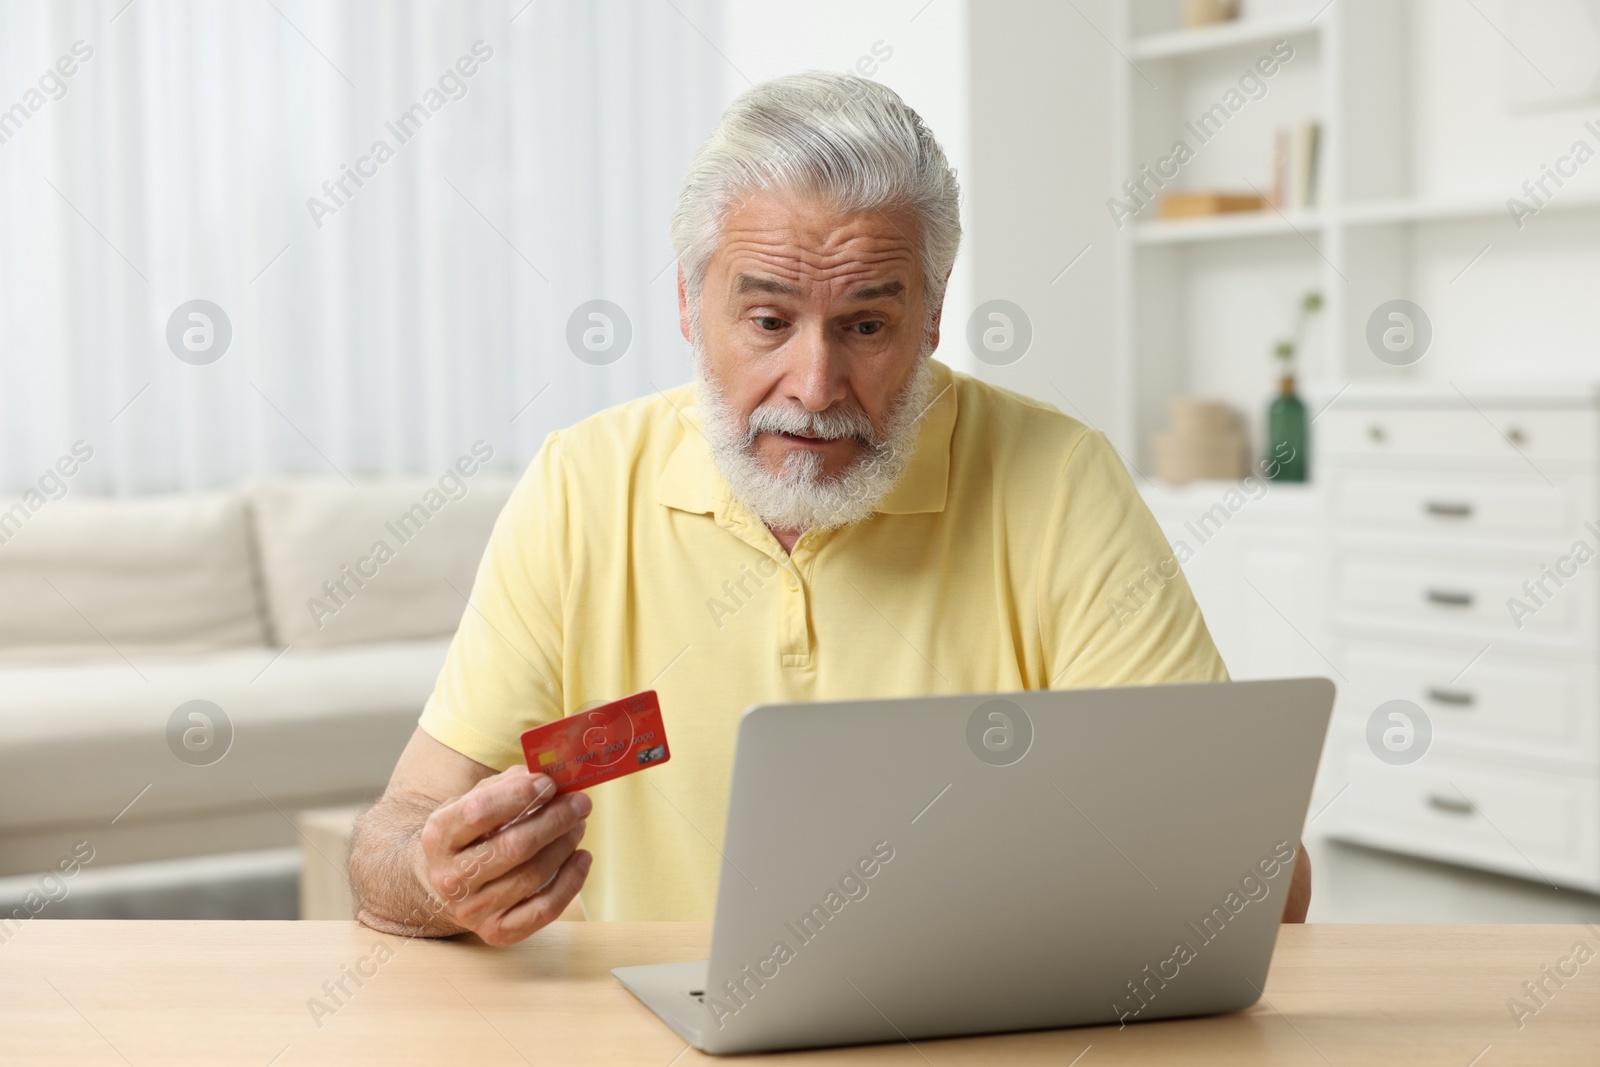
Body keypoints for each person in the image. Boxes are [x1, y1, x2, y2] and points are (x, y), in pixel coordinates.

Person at [348, 71, 1309, 945]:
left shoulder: (1059, 479)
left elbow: (1269, 880)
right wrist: (439, 881)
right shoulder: (579, 486)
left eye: (867, 325)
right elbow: (389, 844)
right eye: (768, 320)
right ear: (690, 306)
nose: (813, 384)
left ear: (930, 318)